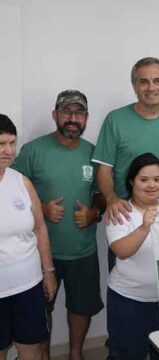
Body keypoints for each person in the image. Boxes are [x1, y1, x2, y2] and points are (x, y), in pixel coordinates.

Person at [12, 90, 104, 360]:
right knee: (41, 311)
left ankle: (75, 354)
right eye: (66, 112)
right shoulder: (33, 151)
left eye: (78, 113)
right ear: (55, 115)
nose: (72, 119)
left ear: (86, 117)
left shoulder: (94, 153)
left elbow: (102, 195)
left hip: (83, 250)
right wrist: (40, 208)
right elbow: (10, 195)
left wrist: (93, 214)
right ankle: (45, 356)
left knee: (81, 307)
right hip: (42, 253)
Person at [92, 57, 159, 226]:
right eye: (144, 82)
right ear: (134, 86)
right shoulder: (115, 120)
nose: (151, 88)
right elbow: (104, 170)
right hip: (126, 217)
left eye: (157, 81)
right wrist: (112, 199)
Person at [106, 152, 159, 360]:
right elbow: (121, 251)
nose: (151, 185)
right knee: (127, 354)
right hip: (128, 301)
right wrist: (144, 227)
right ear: (131, 182)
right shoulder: (120, 211)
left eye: (157, 179)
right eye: (144, 179)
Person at [0, 114, 56, 360]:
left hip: (28, 285)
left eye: (12, 143)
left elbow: (40, 229)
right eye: (1, 144)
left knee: (30, 349)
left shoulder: (22, 182)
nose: (9, 151)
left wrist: (48, 272)